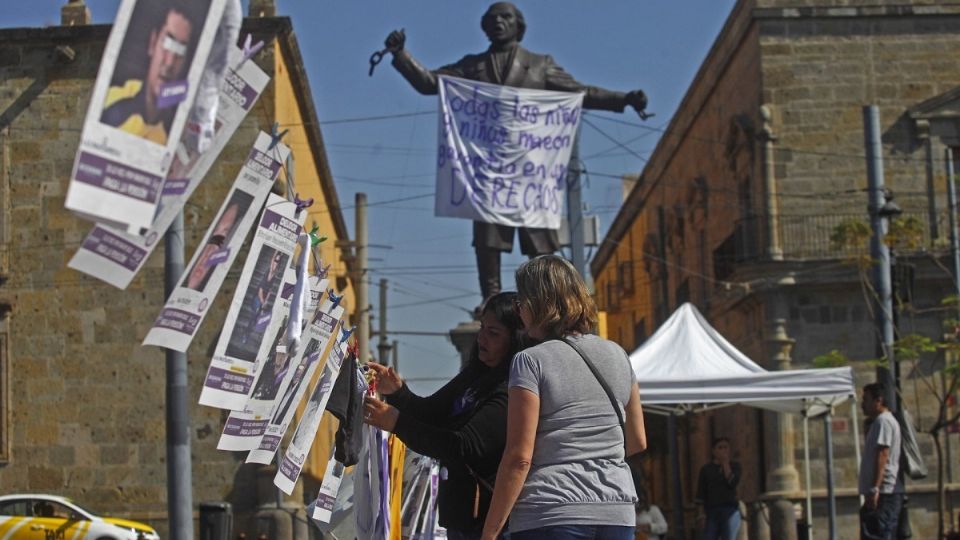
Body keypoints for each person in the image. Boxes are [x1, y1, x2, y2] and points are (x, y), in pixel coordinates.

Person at [383, 3, 649, 308]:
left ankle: (545, 297)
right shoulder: (473, 66)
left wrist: (624, 99)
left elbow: (581, 92)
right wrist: (400, 55)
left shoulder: (539, 65)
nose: (499, 23)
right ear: (484, 26)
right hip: (488, 170)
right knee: (487, 241)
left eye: (506, 17)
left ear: (518, 25)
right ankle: (491, 300)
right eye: (493, 19)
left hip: (530, 169)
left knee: (540, 240)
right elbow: (430, 83)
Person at [481, 255, 647, 540]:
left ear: (537, 304)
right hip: (617, 510)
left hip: (551, 509)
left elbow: (519, 458)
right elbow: (637, 440)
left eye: (522, 302)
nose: (520, 311)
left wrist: (490, 532)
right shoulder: (618, 355)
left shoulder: (530, 361)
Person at [363, 292, 523, 540]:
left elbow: (461, 445)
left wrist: (396, 422)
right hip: (461, 517)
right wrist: (397, 393)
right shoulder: (475, 375)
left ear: (515, 340)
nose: (482, 338)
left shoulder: (512, 388)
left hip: (493, 522)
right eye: (482, 328)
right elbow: (431, 415)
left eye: (493, 333)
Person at [101, 0, 202, 145]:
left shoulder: (182, 129)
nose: (169, 62)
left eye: (180, 50)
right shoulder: (111, 102)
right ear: (153, 43)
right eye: (167, 42)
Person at [858, 382, 903, 540]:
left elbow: (882, 454)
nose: (862, 404)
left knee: (878, 534)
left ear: (878, 400)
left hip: (884, 493)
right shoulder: (878, 422)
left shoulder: (883, 421)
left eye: (866, 399)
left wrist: (875, 488)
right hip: (882, 494)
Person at [695, 437, 742, 540]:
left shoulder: (735, 466)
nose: (723, 450)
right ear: (714, 451)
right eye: (720, 447)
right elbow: (701, 493)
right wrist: (701, 515)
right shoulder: (706, 470)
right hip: (711, 511)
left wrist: (725, 463)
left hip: (730, 508)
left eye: (726, 447)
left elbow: (732, 482)